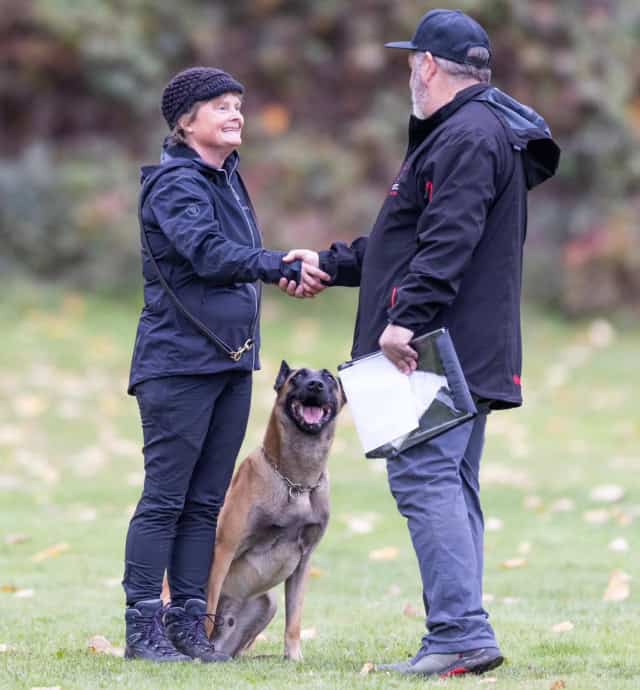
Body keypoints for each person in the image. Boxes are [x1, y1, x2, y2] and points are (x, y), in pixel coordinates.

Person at [281, 9, 560, 678]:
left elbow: (448, 239)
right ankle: (463, 631)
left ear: (427, 66)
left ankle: (460, 633)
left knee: (424, 478)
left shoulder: (464, 136)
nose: (410, 72)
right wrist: (333, 263)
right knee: (452, 484)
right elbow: (407, 239)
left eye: (412, 62)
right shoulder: (473, 132)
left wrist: (406, 320)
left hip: (429, 345)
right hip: (467, 342)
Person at [122, 66, 327, 663]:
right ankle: (144, 628)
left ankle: (191, 623)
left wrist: (272, 271)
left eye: (239, 104)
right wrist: (274, 264)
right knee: (166, 498)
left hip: (229, 364)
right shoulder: (175, 185)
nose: (236, 114)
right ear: (186, 122)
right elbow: (208, 255)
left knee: (207, 502)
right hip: (177, 365)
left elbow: (230, 263)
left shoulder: (226, 181)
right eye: (220, 106)